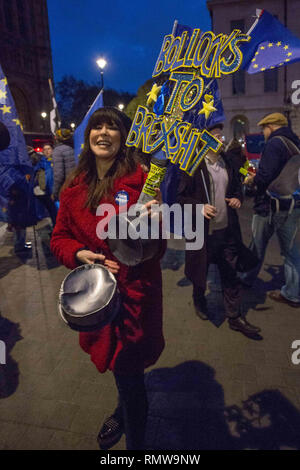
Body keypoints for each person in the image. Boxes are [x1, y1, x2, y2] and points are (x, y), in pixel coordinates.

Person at [50, 107, 165, 450]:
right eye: (96, 126)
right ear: (87, 137)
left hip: (135, 298)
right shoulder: (74, 186)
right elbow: (59, 238)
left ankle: (136, 444)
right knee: (120, 372)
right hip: (96, 299)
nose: (103, 133)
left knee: (131, 375)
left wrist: (153, 223)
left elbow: (159, 249)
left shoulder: (142, 181)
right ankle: (121, 408)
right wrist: (78, 254)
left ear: (123, 136)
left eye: (111, 127)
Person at [177, 123, 261, 338]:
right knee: (200, 271)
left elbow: (236, 188)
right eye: (215, 135)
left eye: (221, 135)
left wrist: (238, 198)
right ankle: (199, 299)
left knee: (230, 273)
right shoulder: (192, 164)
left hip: (227, 230)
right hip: (203, 234)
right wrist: (199, 207)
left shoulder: (228, 162)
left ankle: (234, 317)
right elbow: (180, 198)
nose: (220, 138)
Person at [243, 112, 300, 307]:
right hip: (292, 203)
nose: (263, 132)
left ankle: (246, 278)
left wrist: (251, 180)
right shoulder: (295, 143)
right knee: (291, 250)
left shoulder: (275, 143)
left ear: (272, 126)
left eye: (264, 128)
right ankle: (293, 293)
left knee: (257, 244)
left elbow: (265, 175)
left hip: (269, 205)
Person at [27, 147, 57, 227]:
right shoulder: (40, 162)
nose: (47, 151)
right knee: (51, 212)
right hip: (44, 191)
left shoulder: (56, 161)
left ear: (52, 150)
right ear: (43, 152)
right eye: (45, 150)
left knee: (54, 212)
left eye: (49, 149)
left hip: (54, 191)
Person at [52, 128, 76, 200]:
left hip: (65, 189)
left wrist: (55, 193)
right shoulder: (74, 147)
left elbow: (59, 175)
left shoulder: (58, 151)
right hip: (76, 186)